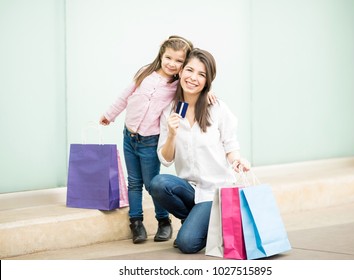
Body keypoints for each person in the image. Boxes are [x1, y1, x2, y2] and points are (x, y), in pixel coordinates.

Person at [149, 48, 250, 254]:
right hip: (191, 189)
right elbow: (166, 159)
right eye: (190, 70)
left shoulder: (217, 108)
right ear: (181, 72)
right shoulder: (171, 110)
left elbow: (230, 145)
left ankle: (202, 224)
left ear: (207, 80)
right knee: (158, 184)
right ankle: (194, 221)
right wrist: (171, 134)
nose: (193, 78)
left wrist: (238, 161)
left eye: (201, 74)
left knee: (187, 244)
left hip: (215, 191)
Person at [99, 36, 195, 244]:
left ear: (184, 63)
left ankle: (164, 221)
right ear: (161, 53)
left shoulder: (178, 85)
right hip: (129, 137)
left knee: (152, 185)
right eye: (169, 57)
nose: (172, 64)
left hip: (150, 142)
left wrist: (210, 93)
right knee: (134, 182)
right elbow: (125, 96)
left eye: (179, 61)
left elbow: (191, 97)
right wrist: (110, 114)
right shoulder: (145, 73)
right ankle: (136, 222)